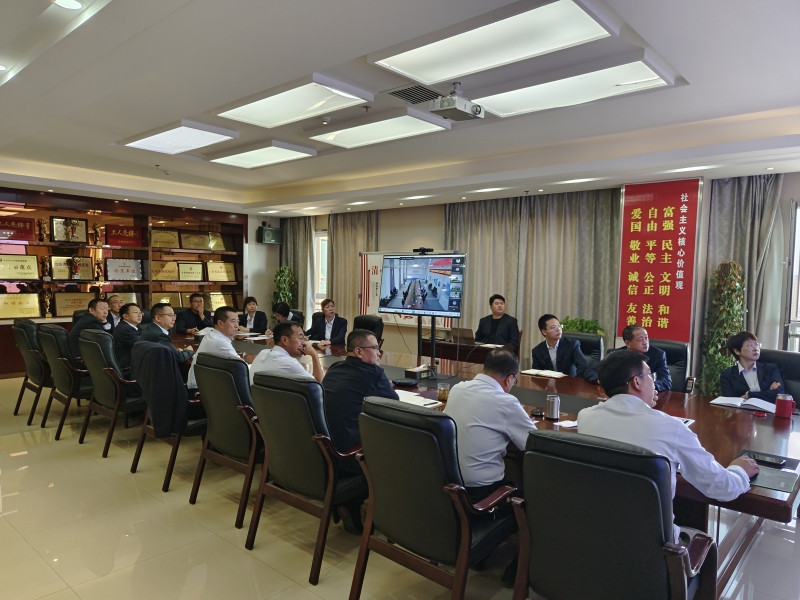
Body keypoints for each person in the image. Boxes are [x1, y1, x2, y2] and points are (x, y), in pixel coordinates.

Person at [577, 350, 759, 544]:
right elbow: (721, 487)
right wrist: (740, 470)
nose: (653, 382)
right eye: (650, 376)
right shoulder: (671, 428)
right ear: (637, 382)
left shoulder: (585, 417)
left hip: (596, 534)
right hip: (654, 544)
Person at [321, 329, 397, 533]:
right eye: (375, 348)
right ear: (358, 351)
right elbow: (394, 404)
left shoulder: (335, 368)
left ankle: (347, 502)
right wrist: (380, 375)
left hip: (325, 450)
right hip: (350, 454)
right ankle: (360, 506)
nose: (379, 353)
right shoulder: (373, 372)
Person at [443, 348, 533, 503]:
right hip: (482, 492)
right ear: (509, 379)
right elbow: (534, 444)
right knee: (527, 492)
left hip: (450, 483)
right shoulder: (506, 402)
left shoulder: (457, 389)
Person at [187, 306, 245, 390]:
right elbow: (242, 367)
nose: (237, 326)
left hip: (200, 386)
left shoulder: (211, 335)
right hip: (201, 391)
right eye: (233, 321)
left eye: (238, 321)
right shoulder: (220, 342)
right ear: (220, 323)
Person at [531, 314, 598, 384]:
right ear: (544, 332)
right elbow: (535, 374)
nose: (558, 329)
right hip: (549, 386)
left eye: (559, 326)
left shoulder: (572, 345)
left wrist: (576, 383)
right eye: (553, 327)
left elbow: (583, 366)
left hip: (570, 384)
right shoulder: (537, 351)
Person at [249, 321, 323, 384]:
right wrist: (314, 355)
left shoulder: (262, 353)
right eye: (300, 337)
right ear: (284, 340)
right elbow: (318, 384)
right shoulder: (290, 363)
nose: (304, 342)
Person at [720, 332, 785, 402]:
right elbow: (730, 402)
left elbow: (779, 394)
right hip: (742, 409)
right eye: (750, 345)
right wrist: (767, 392)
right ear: (737, 351)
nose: (755, 348)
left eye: (756, 344)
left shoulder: (770, 368)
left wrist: (748, 395)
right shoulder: (727, 375)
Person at [609, 324, 672, 392]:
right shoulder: (614, 355)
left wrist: (648, 386)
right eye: (640, 339)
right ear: (628, 343)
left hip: (647, 394)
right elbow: (603, 376)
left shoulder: (657, 355)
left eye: (646, 338)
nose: (645, 342)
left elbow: (666, 381)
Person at [112, 302, 142, 370]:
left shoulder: (132, 326)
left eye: (140, 313)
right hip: (128, 367)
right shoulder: (126, 329)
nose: (139, 315)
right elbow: (141, 345)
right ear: (125, 316)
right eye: (135, 312)